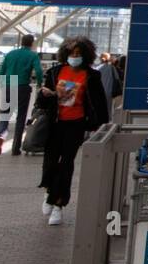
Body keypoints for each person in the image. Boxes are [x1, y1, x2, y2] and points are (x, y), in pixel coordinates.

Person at [37, 37, 109, 226]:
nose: (75, 56)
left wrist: (101, 126)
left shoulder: (92, 76)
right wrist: (46, 95)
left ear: (86, 55)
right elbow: (41, 102)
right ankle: (50, 192)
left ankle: (58, 204)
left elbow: (99, 103)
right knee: (51, 161)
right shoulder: (55, 72)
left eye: (78, 53)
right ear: (65, 54)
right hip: (55, 123)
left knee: (66, 163)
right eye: (71, 53)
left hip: (76, 124)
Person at [0, 34, 43, 156]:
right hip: (22, 85)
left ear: (21, 42)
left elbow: (2, 70)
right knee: (21, 117)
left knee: (5, 114)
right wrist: (39, 83)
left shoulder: (11, 54)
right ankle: (15, 148)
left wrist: (1, 85)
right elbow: (38, 70)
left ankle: (1, 135)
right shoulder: (32, 55)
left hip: (9, 84)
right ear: (31, 43)